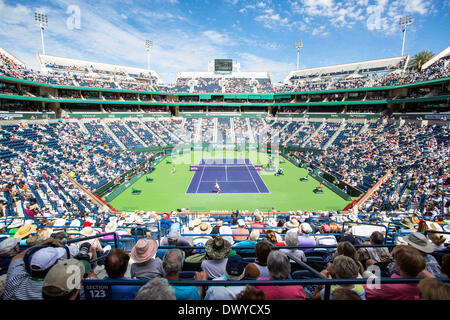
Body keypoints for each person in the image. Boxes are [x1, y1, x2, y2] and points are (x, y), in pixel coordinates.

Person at [3, 238, 70, 300]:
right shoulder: (55, 292)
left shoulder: (15, 281)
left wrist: (42, 243)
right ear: (53, 266)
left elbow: (18, 257)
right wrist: (45, 242)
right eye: (57, 260)